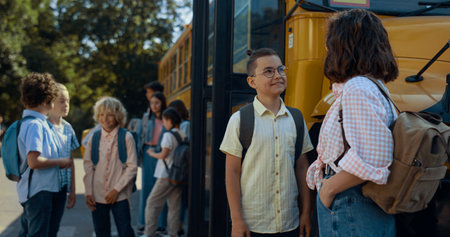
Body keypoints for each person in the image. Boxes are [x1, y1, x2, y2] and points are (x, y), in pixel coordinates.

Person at [306, 9, 398, 236]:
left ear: (343, 46)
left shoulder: (358, 88)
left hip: (351, 200)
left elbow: (374, 157)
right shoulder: (374, 86)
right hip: (361, 200)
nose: (327, 48)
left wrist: (328, 190)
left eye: (330, 42)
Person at [220, 48, 313, 237]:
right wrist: (237, 220)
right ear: (251, 81)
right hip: (254, 224)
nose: (278, 76)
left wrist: (306, 213)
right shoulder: (239, 120)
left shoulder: (296, 118)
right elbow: (232, 172)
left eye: (280, 69)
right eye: (269, 71)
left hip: (291, 223)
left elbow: (302, 167)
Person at [16, 72, 72, 237]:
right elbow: (34, 161)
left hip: (35, 190)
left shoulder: (31, 122)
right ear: (46, 100)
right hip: (39, 191)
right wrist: (60, 161)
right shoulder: (35, 125)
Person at [83, 96, 137, 237]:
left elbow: (132, 167)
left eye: (109, 115)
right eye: (101, 115)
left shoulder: (126, 137)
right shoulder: (93, 138)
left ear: (118, 116)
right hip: (97, 194)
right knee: (101, 232)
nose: (104, 119)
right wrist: (89, 191)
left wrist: (116, 189)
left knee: (125, 231)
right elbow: (88, 166)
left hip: (120, 195)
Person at [145, 107, 186, 237]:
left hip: (165, 175)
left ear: (170, 120)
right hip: (178, 175)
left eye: (164, 121)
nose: (163, 124)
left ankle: (149, 233)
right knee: (174, 207)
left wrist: (152, 153)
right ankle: (173, 234)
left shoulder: (168, 135)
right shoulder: (182, 135)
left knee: (152, 203)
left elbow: (163, 154)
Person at [47, 83, 80, 235]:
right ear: (50, 102)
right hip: (45, 188)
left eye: (68, 100)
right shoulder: (42, 126)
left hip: (61, 188)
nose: (66, 104)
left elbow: (71, 162)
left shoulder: (68, 128)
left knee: (53, 229)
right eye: (62, 101)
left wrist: (72, 190)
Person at [137, 82, 168, 234]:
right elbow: (139, 137)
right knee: (147, 190)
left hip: (162, 154)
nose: (154, 105)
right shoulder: (145, 117)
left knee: (160, 190)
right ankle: (144, 222)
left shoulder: (167, 117)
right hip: (148, 153)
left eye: (157, 102)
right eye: (152, 103)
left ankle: (161, 224)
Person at [168, 99, 190, 235]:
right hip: (176, 162)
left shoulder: (185, 125)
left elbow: (184, 141)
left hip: (181, 163)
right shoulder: (180, 124)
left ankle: (179, 225)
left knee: (180, 197)